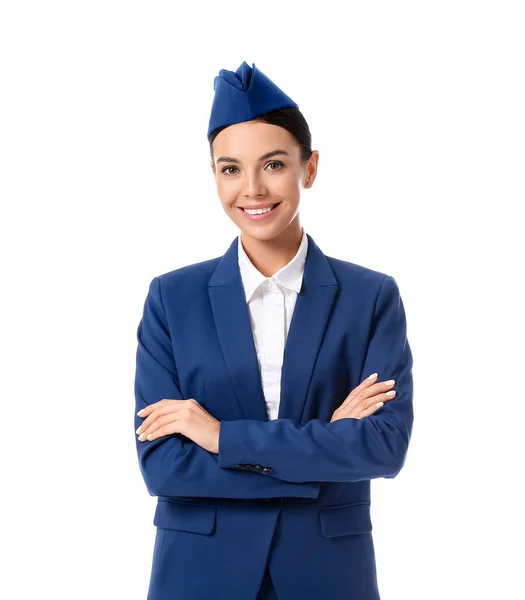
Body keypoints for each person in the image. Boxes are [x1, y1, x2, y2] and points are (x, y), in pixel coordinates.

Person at [134, 61, 414, 600]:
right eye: (230, 169)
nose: (253, 189)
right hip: (199, 575)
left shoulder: (371, 297)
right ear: (213, 175)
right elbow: (164, 466)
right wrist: (326, 444)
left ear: (309, 169)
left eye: (274, 164)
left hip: (327, 575)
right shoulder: (171, 299)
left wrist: (220, 437)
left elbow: (382, 446)